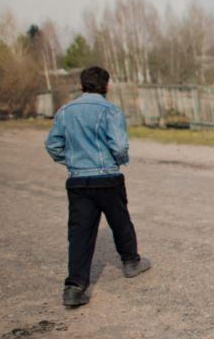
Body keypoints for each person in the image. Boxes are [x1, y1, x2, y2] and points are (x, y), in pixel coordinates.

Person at [45, 66, 150, 307]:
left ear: (82, 85)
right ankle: (131, 262)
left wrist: (73, 161)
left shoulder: (65, 111)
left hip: (78, 179)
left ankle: (74, 287)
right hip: (107, 177)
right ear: (106, 86)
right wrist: (117, 161)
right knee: (120, 220)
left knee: (80, 232)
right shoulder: (110, 111)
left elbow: (52, 144)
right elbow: (120, 146)